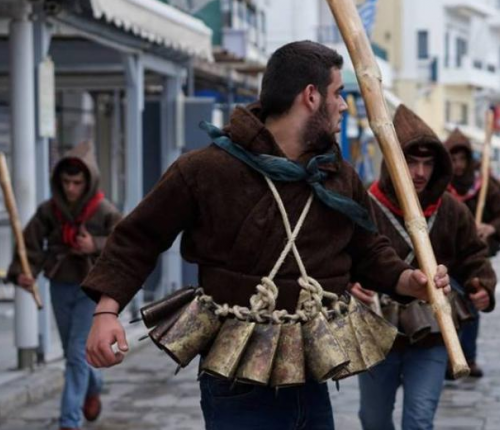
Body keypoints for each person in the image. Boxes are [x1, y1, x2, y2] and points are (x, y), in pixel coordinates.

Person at [82, 41, 450, 430]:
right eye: (338, 94)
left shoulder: (335, 173)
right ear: (310, 96)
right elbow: (139, 237)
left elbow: (367, 249)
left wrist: (409, 281)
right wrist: (107, 311)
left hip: (310, 370)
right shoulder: (207, 169)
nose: (344, 105)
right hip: (237, 377)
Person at [351, 106, 496, 430]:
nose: (419, 172)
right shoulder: (366, 205)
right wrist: (350, 283)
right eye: (410, 162)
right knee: (373, 421)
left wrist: (482, 284)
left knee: (418, 422)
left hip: (432, 331)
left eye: (427, 163)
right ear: (392, 162)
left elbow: (474, 255)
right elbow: (344, 255)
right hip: (378, 333)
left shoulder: (451, 209)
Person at [7, 142, 121, 430]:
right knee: (78, 352)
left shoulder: (104, 210)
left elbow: (125, 242)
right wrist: (24, 272)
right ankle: (93, 385)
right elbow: (30, 244)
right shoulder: (50, 210)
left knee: (77, 354)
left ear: (88, 182)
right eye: (66, 182)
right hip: (59, 284)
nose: (71, 188)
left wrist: (93, 244)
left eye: (77, 183)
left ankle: (69, 421)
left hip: (90, 289)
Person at [444, 128, 500, 377]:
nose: (458, 165)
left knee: (473, 302)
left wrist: (490, 227)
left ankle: (468, 358)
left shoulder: (481, 185)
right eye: (453, 159)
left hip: (472, 257)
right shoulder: (437, 185)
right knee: (446, 308)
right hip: (444, 258)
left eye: (462, 159)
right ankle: (449, 358)